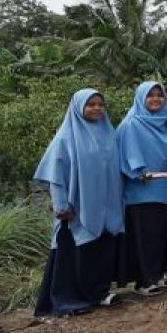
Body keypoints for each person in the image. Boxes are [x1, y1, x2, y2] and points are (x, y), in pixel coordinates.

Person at [33, 89, 123, 316]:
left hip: (106, 204)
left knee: (101, 250)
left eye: (100, 105)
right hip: (77, 206)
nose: (96, 109)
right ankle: (71, 299)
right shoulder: (66, 137)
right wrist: (60, 205)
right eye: (90, 104)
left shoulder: (109, 134)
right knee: (77, 253)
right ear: (78, 107)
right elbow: (56, 176)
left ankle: (99, 293)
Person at [116, 81, 167, 296]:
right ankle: (144, 280)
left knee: (159, 234)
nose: (156, 99)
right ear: (141, 98)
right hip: (141, 189)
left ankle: (157, 275)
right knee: (144, 235)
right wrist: (137, 173)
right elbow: (123, 154)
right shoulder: (131, 124)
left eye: (160, 95)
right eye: (151, 95)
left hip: (164, 188)